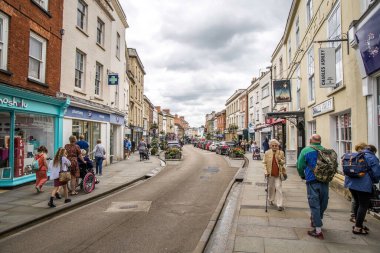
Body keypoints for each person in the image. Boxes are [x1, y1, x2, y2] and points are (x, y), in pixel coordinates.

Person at [297, 134, 329, 239]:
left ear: (310, 140)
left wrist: (302, 175)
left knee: (314, 204)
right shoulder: (326, 151)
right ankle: (317, 219)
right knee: (323, 202)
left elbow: (300, 165)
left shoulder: (305, 151)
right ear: (320, 141)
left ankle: (318, 229)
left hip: (312, 180)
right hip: (325, 181)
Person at [345, 145, 380, 235]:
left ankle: (357, 223)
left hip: (351, 184)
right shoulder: (372, 157)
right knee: (363, 205)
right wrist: (375, 181)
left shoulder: (357, 155)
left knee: (357, 203)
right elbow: (376, 174)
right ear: (373, 151)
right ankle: (358, 227)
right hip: (363, 185)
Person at [263, 139, 286, 211]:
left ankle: (279, 205)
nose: (274, 147)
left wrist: (280, 160)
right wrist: (265, 171)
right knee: (271, 188)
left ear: (278, 146)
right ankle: (270, 199)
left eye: (276, 145)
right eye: (273, 145)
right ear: (270, 146)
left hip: (278, 174)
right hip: (270, 174)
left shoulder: (281, 153)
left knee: (278, 188)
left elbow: (283, 162)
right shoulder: (267, 153)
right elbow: (264, 163)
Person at [349, 143, 368, 222]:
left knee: (355, 199)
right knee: (359, 202)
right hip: (360, 182)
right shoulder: (362, 157)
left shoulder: (352, 157)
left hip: (351, 182)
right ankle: (355, 216)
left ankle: (355, 216)